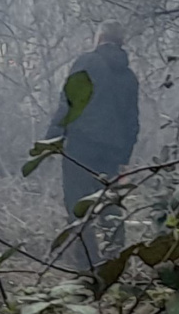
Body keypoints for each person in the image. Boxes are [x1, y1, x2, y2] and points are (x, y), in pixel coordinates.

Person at [47, 20, 139, 266]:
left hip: (82, 146)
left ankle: (87, 264)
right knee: (109, 202)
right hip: (113, 152)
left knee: (78, 204)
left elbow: (69, 101)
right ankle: (114, 260)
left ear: (99, 38)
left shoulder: (86, 63)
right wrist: (124, 159)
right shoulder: (130, 77)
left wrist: (50, 140)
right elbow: (133, 122)